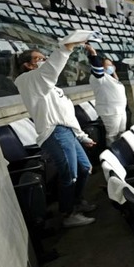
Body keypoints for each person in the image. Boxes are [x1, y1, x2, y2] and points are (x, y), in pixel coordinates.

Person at [14, 42, 98, 228]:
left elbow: (66, 115)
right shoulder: (29, 80)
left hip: (67, 131)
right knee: (70, 175)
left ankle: (76, 201)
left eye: (45, 58)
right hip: (55, 132)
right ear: (28, 65)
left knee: (85, 168)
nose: (44, 60)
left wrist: (82, 136)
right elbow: (50, 69)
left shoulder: (50, 87)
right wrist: (65, 49)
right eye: (39, 59)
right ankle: (68, 214)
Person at [86, 45, 127, 145]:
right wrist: (93, 54)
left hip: (120, 110)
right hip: (110, 111)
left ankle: (121, 149)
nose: (111, 67)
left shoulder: (109, 78)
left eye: (112, 64)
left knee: (122, 132)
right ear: (101, 66)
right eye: (108, 65)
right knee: (112, 134)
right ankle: (112, 151)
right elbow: (97, 71)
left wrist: (114, 72)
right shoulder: (98, 77)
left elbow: (116, 82)